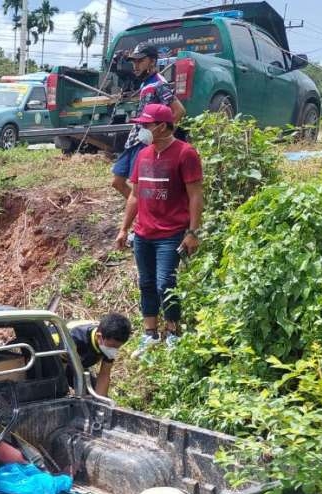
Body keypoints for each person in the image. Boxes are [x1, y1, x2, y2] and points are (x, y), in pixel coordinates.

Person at [114, 103, 204, 353]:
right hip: (143, 233)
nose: (142, 129)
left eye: (146, 125)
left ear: (162, 126)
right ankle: (150, 333)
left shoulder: (185, 154)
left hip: (171, 233)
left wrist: (193, 232)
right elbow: (134, 196)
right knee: (146, 283)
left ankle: (173, 331)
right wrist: (124, 229)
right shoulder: (143, 154)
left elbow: (195, 195)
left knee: (166, 283)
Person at [110, 45, 186, 198]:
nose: (135, 66)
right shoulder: (146, 83)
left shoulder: (159, 83)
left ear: (152, 61)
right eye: (134, 62)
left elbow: (179, 111)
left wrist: (161, 138)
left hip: (145, 140)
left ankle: (143, 216)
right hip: (134, 140)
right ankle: (143, 213)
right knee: (117, 182)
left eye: (140, 61)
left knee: (141, 188)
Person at [67, 314, 132, 397]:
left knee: (94, 396)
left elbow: (104, 375)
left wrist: (101, 403)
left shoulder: (108, 341)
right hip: (52, 361)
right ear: (99, 337)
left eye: (117, 347)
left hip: (77, 367)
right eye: (112, 346)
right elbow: (59, 369)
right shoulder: (74, 339)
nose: (114, 351)